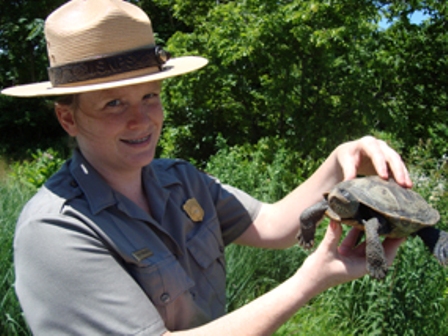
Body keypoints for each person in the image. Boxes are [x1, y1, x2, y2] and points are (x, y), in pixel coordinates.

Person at [2, 0, 412, 335]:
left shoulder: (181, 181)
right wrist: (311, 279)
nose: (142, 120)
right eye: (113, 103)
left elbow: (275, 226)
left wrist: (343, 158)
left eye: (150, 95)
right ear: (67, 118)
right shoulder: (54, 230)